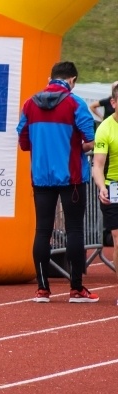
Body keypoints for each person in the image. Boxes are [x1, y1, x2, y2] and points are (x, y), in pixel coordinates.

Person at [17, 61, 97, 304]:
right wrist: (75, 147)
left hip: (41, 176)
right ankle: (76, 289)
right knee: (74, 229)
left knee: (42, 230)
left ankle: (42, 289)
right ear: (71, 80)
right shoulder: (75, 102)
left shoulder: (30, 103)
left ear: (50, 77)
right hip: (72, 177)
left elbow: (23, 141)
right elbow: (90, 139)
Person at [90, 84, 118, 301]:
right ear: (114, 103)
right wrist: (101, 187)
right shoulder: (105, 129)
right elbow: (97, 165)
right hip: (113, 185)